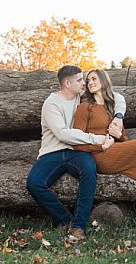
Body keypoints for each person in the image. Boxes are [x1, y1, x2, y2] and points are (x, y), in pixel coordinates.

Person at [26, 65, 124, 241]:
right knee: (34, 183)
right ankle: (65, 219)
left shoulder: (81, 97)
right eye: (79, 80)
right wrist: (98, 139)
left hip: (76, 152)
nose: (84, 83)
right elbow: (63, 134)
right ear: (67, 82)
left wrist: (118, 116)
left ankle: (78, 227)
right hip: (52, 153)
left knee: (89, 170)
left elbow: (117, 97)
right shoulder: (52, 103)